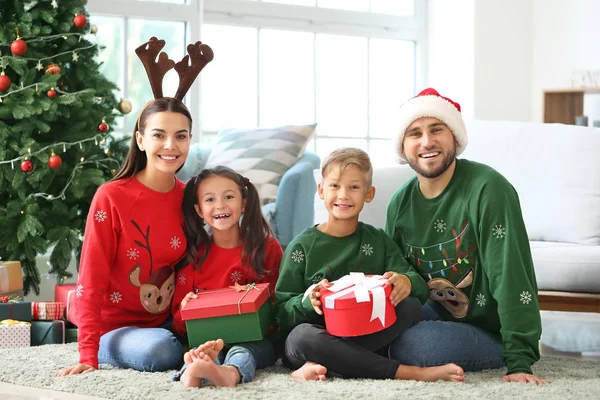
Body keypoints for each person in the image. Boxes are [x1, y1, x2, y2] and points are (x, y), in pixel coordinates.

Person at [58, 37, 213, 376]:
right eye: (159, 135)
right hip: (115, 328)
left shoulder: (191, 196)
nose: (170, 145)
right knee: (161, 351)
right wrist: (87, 353)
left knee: (223, 339)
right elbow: (91, 277)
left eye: (181, 136)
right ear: (141, 140)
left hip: (169, 321)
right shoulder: (111, 197)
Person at [386, 88, 547, 384]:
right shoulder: (400, 203)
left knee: (414, 346)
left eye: (437, 130)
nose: (427, 142)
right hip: (430, 314)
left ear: (455, 137)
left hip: (486, 329)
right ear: (403, 144)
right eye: (414, 133)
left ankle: (506, 350)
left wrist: (520, 361)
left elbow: (510, 275)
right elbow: (399, 273)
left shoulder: (488, 189)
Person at [274, 148, 465, 383]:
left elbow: (419, 286)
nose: (343, 195)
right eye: (335, 186)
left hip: (366, 332)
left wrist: (405, 281)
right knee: (301, 337)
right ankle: (409, 373)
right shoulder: (301, 247)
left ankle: (326, 364)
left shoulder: (378, 240)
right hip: (314, 338)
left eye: (354, 187)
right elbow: (281, 312)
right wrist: (307, 300)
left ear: (369, 193)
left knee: (410, 305)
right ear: (322, 191)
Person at [171, 166, 283, 387]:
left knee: (244, 351)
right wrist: (185, 311)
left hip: (256, 340)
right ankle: (192, 372)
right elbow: (179, 324)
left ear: (243, 203)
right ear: (199, 210)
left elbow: (277, 306)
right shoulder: (194, 255)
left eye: (229, 197)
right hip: (208, 340)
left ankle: (230, 373)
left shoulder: (266, 248)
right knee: (199, 351)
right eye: (210, 199)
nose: (220, 205)